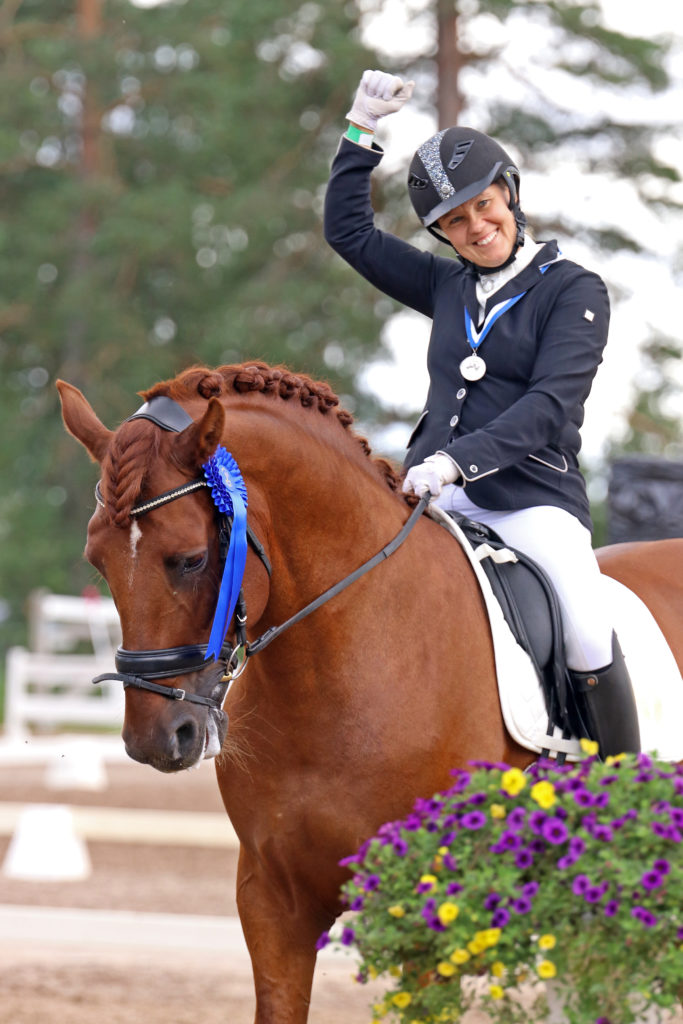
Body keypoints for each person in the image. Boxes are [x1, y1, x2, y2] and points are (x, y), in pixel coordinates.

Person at [323, 69, 640, 758]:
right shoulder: (445, 285)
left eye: (483, 206)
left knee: (585, 624)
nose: (475, 227)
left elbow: (549, 407)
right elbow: (348, 233)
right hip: (435, 500)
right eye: (454, 222)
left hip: (530, 502)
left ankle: (621, 785)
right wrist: (360, 131)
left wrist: (455, 462)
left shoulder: (572, 290)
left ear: (510, 195)